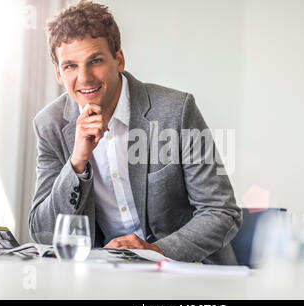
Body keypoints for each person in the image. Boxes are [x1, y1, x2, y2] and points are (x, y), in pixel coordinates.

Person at [28, 0, 241, 264]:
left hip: (185, 273)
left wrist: (158, 252)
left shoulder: (176, 111)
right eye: (70, 66)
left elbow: (221, 211)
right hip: (103, 278)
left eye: (95, 60)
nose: (84, 78)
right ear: (59, 73)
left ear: (119, 60)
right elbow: (42, 233)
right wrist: (77, 163)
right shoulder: (50, 125)